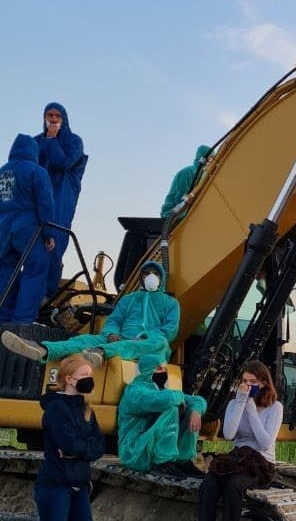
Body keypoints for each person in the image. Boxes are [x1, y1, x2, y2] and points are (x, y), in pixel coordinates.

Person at [33, 354, 118, 521]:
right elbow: (68, 443)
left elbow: (97, 446)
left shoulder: (87, 410)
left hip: (79, 486)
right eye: (84, 375)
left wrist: (76, 452)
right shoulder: (56, 410)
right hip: (54, 486)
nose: (90, 379)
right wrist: (78, 449)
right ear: (69, 379)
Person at [183, 360, 281, 521]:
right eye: (244, 381)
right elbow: (228, 434)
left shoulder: (275, 407)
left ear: (264, 383)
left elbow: (265, 442)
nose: (247, 386)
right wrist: (240, 404)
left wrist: (252, 411)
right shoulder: (234, 403)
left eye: (253, 382)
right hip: (237, 457)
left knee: (234, 485)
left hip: (260, 462)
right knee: (209, 482)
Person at [2, 259, 179, 366]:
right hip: (119, 338)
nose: (150, 276)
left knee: (161, 342)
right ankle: (44, 349)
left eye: (154, 273)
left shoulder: (171, 303)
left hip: (148, 343)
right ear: (141, 276)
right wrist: (111, 333)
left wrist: (144, 336)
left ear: (161, 277)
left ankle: (101, 353)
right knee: (84, 339)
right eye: (146, 273)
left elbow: (169, 330)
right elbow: (114, 320)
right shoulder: (128, 299)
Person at [117, 354, 206, 473]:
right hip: (135, 450)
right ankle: (163, 461)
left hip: (149, 444)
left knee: (190, 409)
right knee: (171, 408)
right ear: (148, 371)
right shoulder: (134, 391)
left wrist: (196, 411)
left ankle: (184, 461)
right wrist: (179, 398)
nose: (164, 372)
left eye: (165, 368)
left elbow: (197, 400)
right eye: (159, 368)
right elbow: (163, 400)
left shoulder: (161, 391)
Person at [0, 134, 55, 325]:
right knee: (35, 269)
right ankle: (22, 322)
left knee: (5, 271)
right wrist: (48, 233)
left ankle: (3, 319)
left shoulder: (2, 172)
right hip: (28, 226)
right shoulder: (36, 171)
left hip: (3, 228)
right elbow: (45, 203)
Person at [35, 102, 87, 297]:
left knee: (53, 249)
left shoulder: (74, 142)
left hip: (60, 202)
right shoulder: (35, 141)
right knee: (28, 250)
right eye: (49, 115)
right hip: (36, 202)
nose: (53, 119)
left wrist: (51, 141)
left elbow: (63, 163)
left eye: (57, 115)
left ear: (63, 118)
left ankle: (47, 297)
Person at [161, 144, 212, 218]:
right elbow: (180, 198)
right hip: (173, 213)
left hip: (187, 213)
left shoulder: (203, 176)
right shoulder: (187, 172)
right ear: (203, 158)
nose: (212, 161)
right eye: (211, 158)